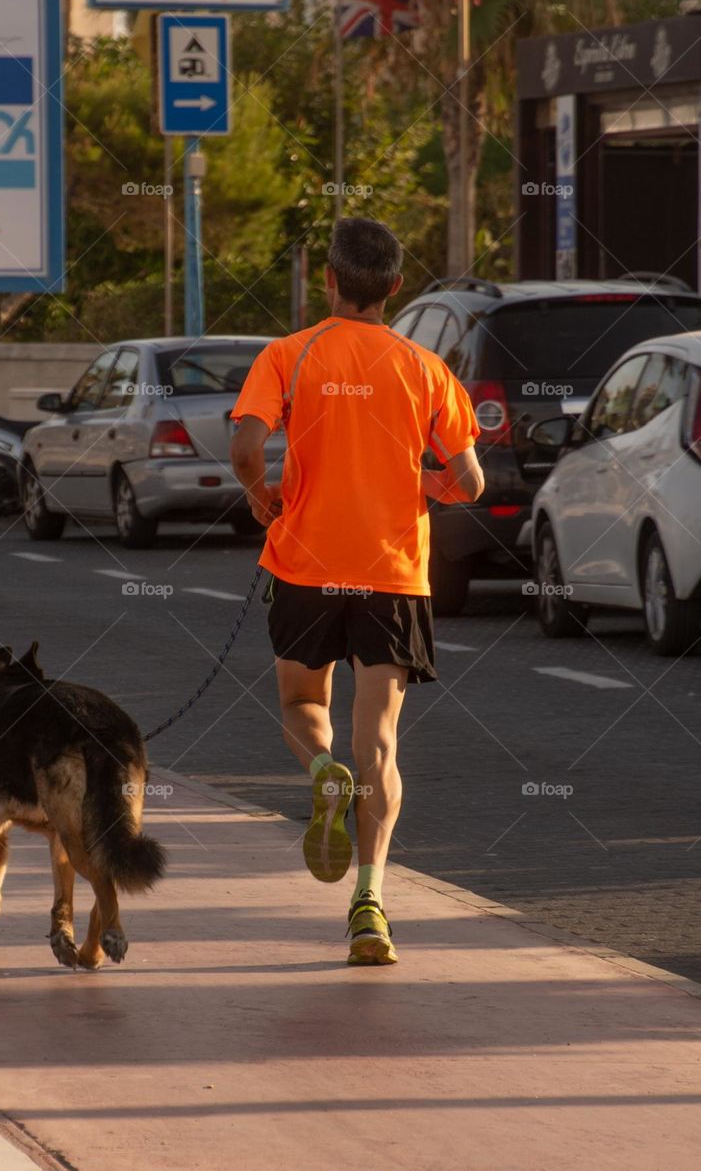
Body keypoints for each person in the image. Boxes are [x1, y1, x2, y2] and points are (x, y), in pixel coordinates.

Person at [230, 218, 485, 965]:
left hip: (305, 567)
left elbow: (246, 445)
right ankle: (369, 905)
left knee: (302, 705)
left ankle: (318, 772)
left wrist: (259, 494)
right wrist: (420, 483)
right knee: (379, 741)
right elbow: (467, 482)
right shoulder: (423, 366)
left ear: (329, 282)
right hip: (393, 575)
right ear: (396, 289)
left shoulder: (289, 353)